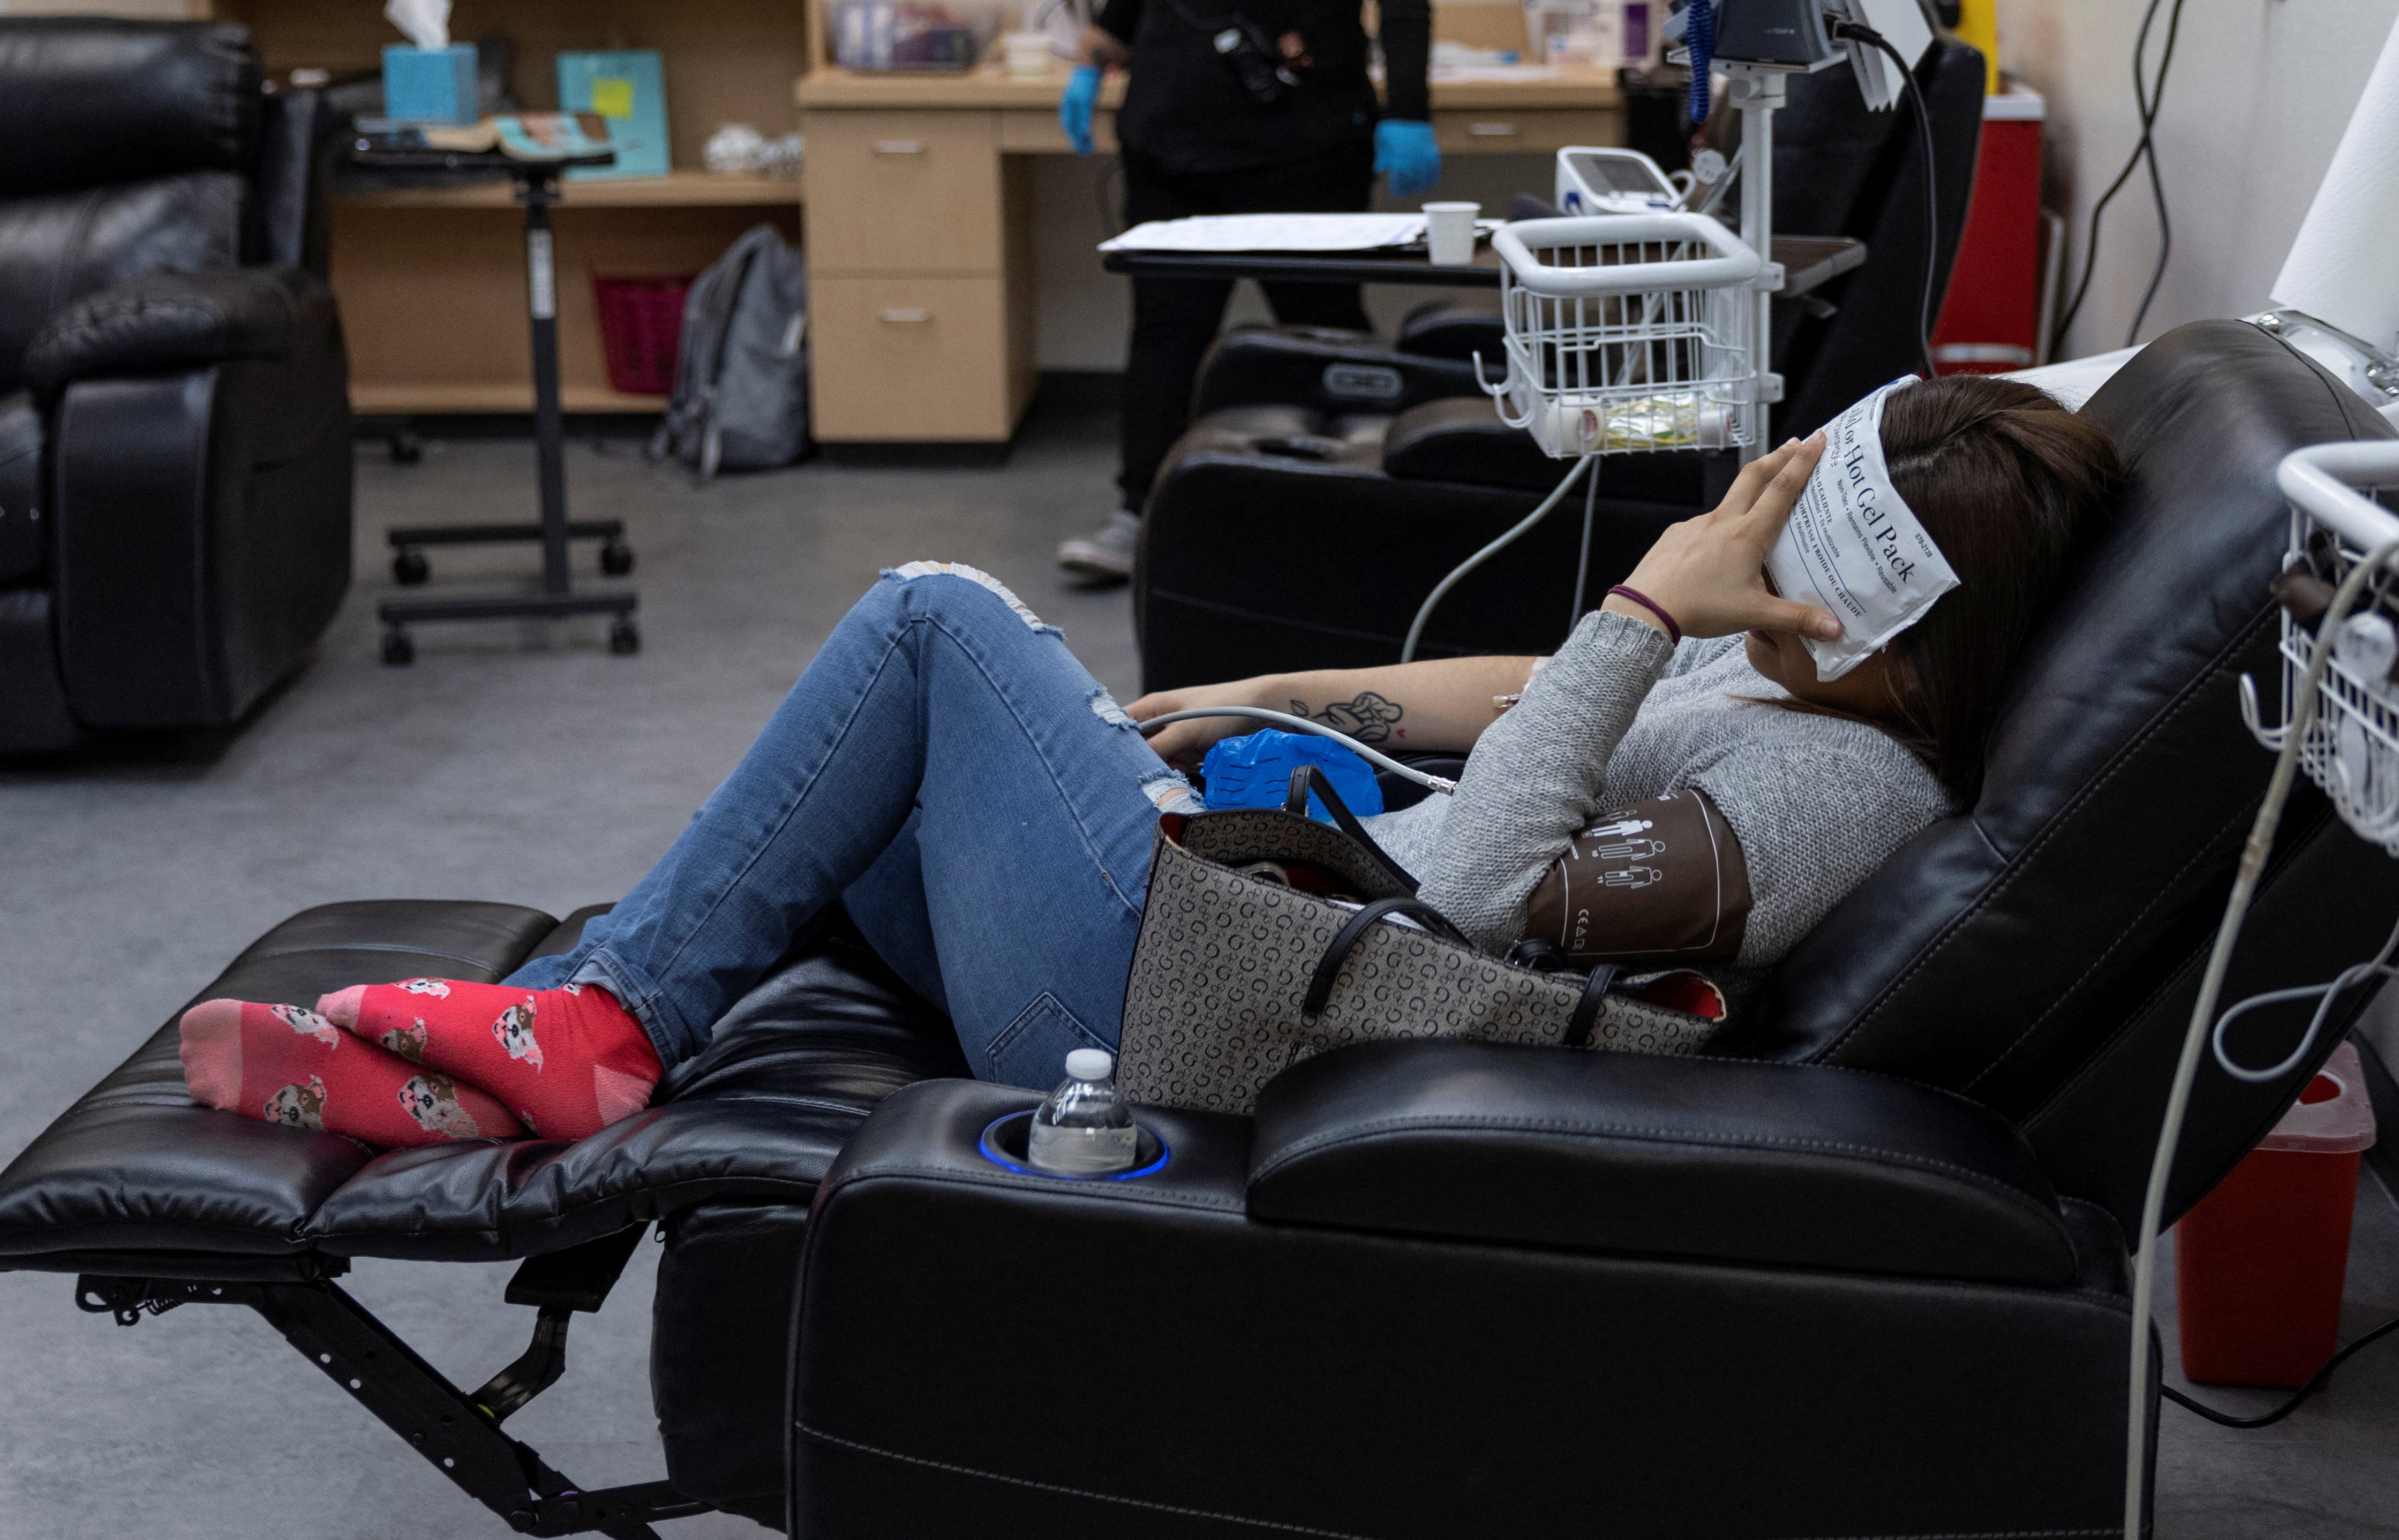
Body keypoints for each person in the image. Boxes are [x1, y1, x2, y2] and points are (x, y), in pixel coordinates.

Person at [177, 381, 2121, 1148]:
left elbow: (1471, 897)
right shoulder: (1807, 695)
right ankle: (559, 1036)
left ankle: (588, 1028)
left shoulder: (1846, 794)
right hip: (1233, 920)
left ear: (1873, 598)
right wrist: (1274, 695)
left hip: (1203, 1009)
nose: (1758, 519)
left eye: (1802, 512)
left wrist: (1650, 610)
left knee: (935, 615)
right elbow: (1520, 694)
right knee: (893, 772)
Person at [1053, 0, 1439, 586]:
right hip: (1170, 139)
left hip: (1298, 145)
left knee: (1321, 328)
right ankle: (1138, 511)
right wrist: (1096, 56)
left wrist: (1410, 108)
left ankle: (1367, 493)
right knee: (1165, 333)